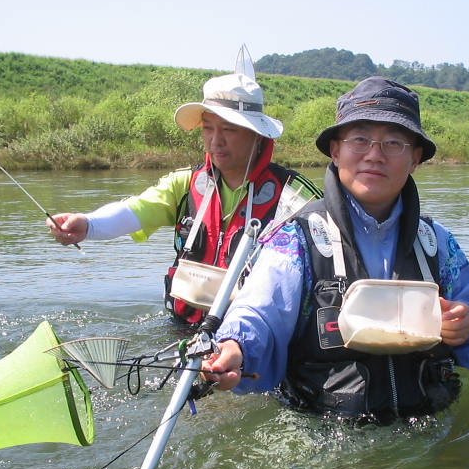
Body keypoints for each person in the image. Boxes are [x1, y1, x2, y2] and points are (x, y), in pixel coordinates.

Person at [202, 76, 469, 423]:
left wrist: (464, 327)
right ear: (336, 151)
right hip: (321, 432)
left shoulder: (439, 245)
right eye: (360, 139)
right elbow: (260, 310)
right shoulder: (295, 240)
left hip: (426, 426)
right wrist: (234, 347)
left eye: (394, 142)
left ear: (415, 159)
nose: (374, 155)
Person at [48, 68, 308, 324]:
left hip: (252, 337)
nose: (215, 141)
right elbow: (133, 211)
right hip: (184, 329)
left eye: (229, 130)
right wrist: (87, 225)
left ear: (257, 135)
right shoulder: (185, 184)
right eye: (208, 128)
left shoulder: (294, 196)